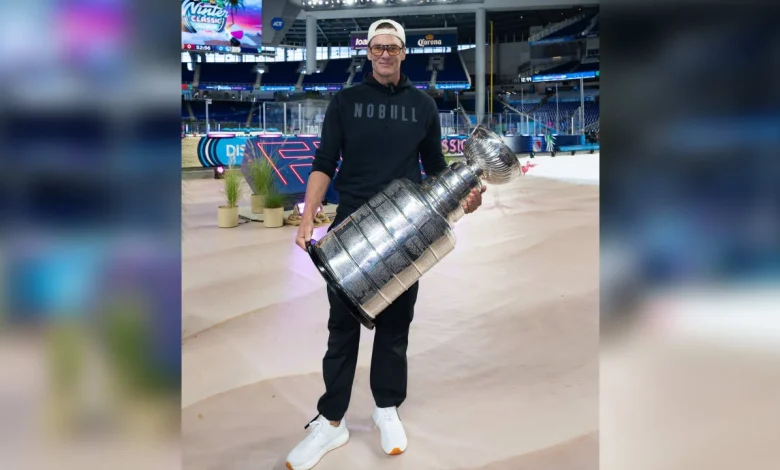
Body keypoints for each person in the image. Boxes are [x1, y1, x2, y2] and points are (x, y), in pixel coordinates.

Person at [286, 19, 486, 470]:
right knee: (342, 329)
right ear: (368, 52)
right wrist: (307, 215)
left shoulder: (423, 105)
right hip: (352, 226)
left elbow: (435, 167)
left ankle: (386, 408)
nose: (384, 54)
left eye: (392, 47)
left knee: (395, 328)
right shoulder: (346, 101)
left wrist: (464, 202)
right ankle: (332, 420)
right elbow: (323, 162)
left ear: (402, 52)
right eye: (377, 47)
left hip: (408, 228)